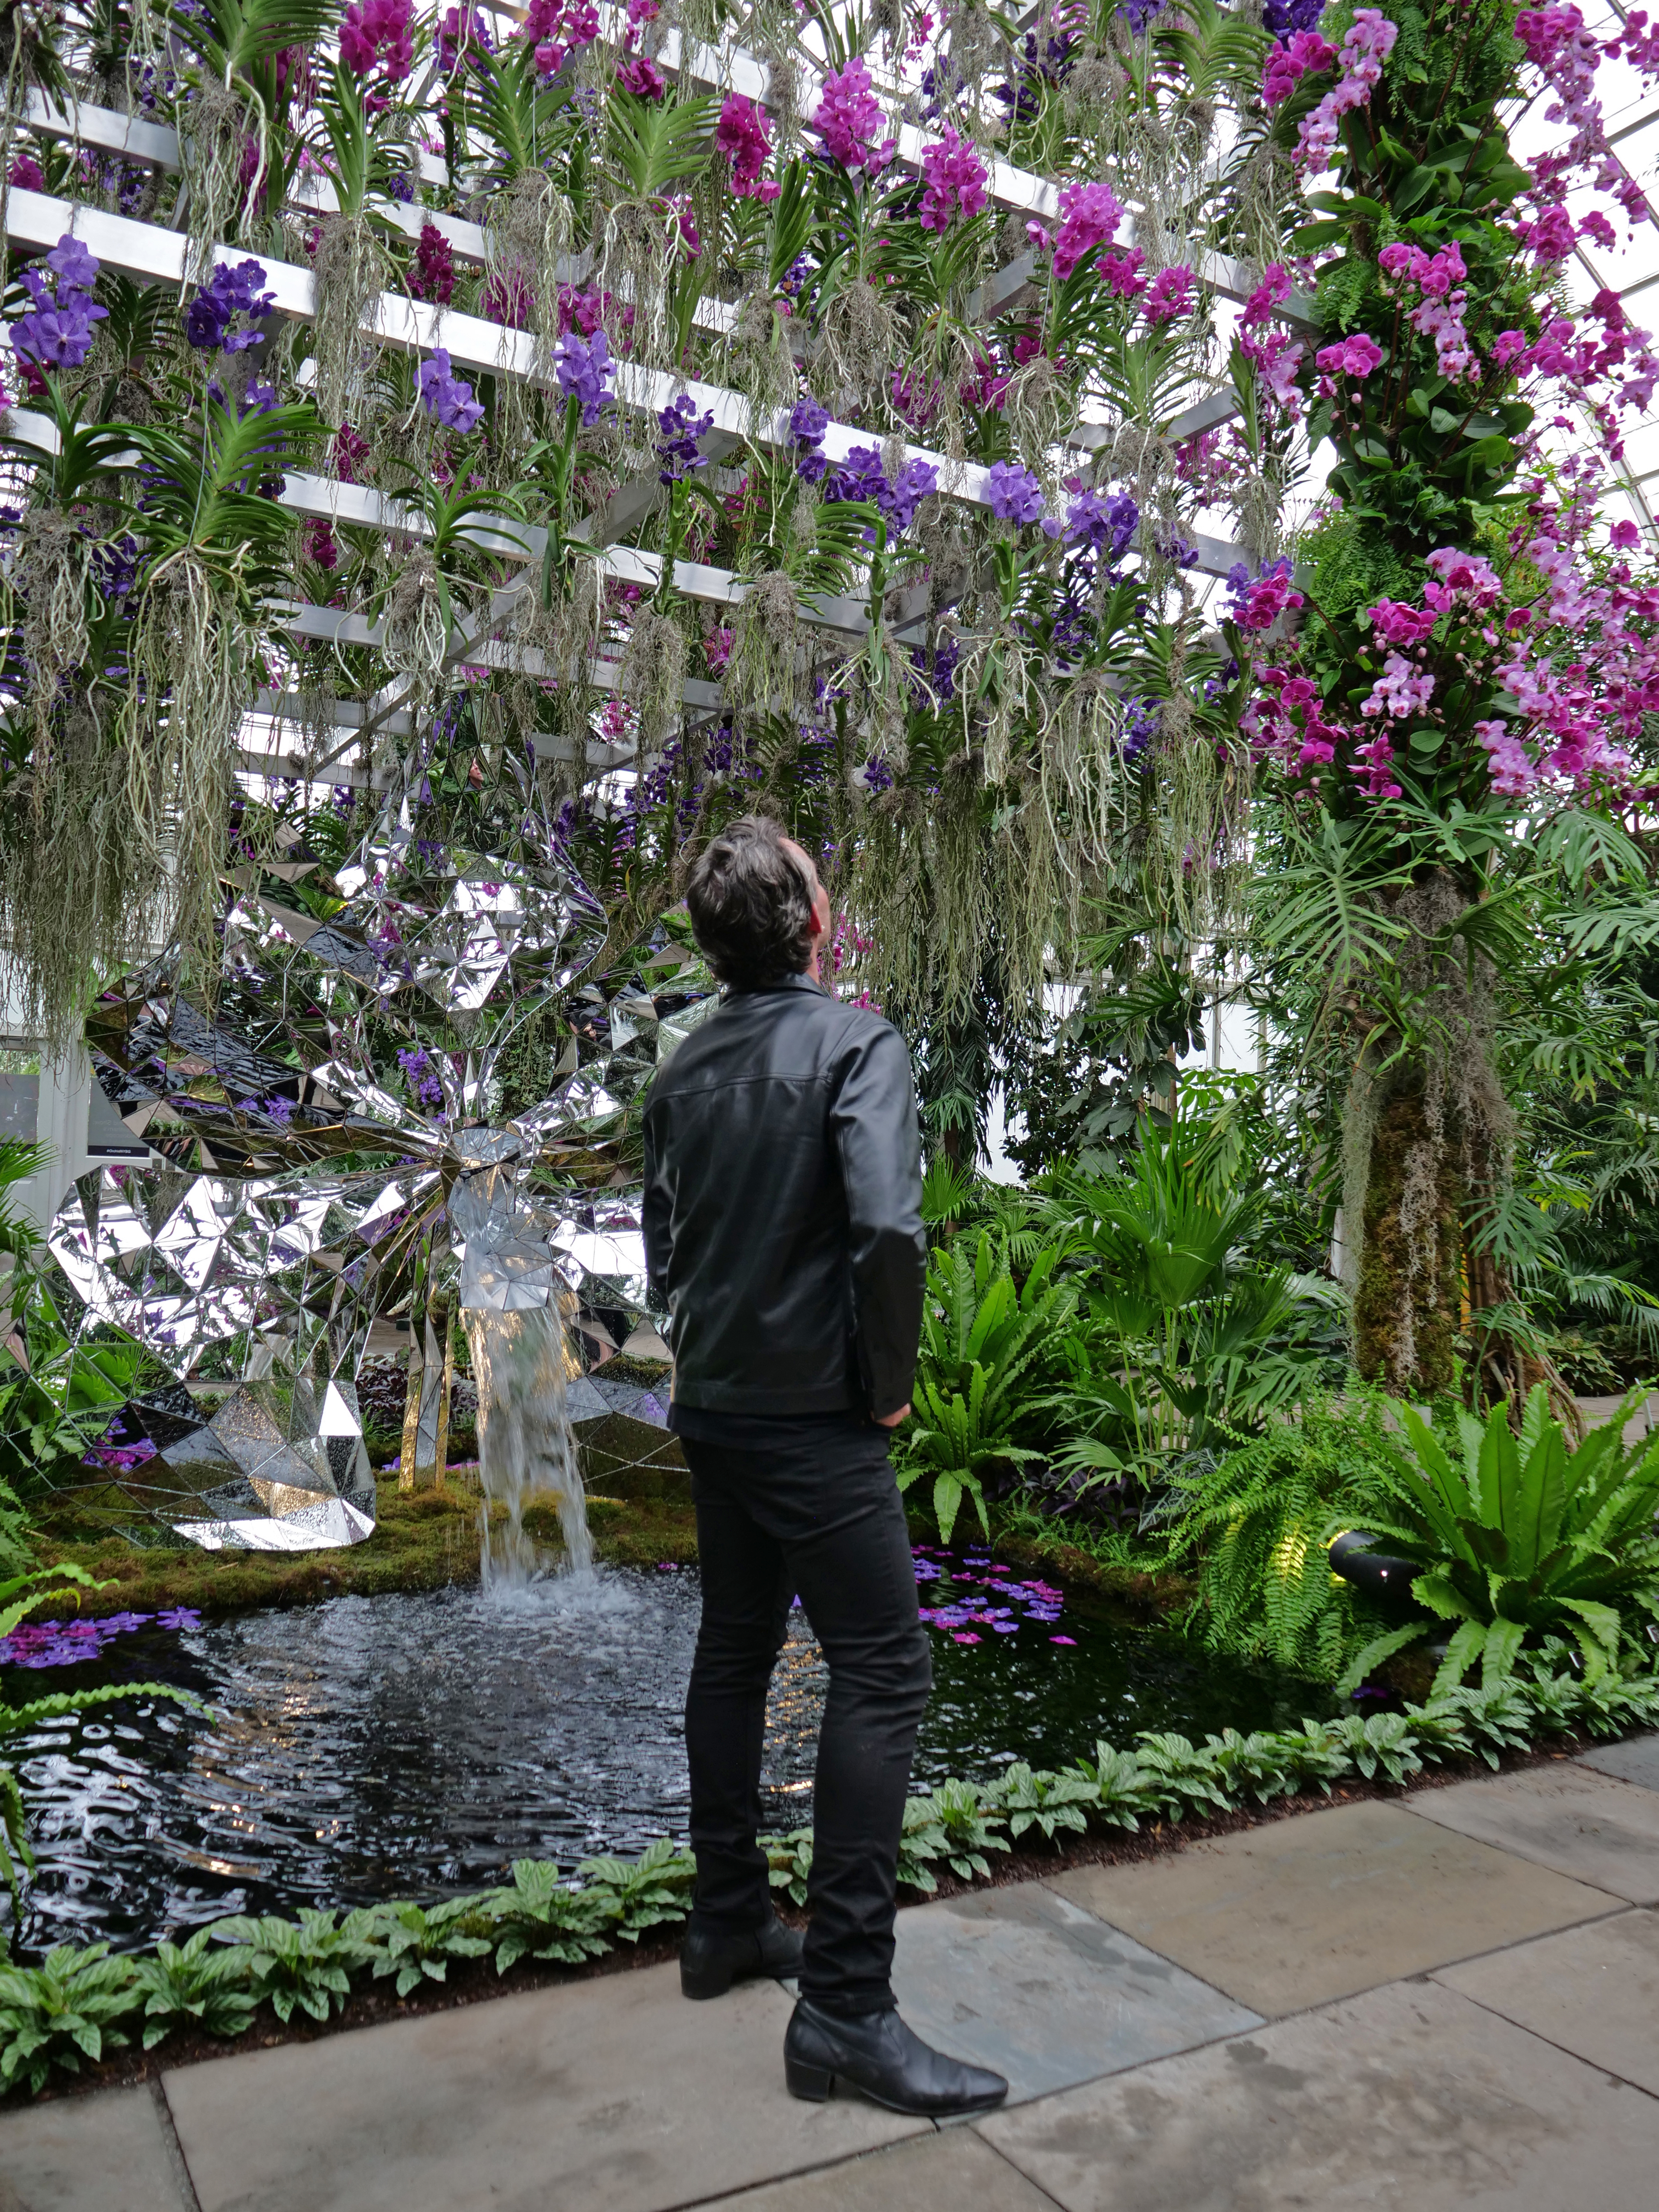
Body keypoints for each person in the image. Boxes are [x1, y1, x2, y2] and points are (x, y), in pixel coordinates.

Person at [641, 815, 1007, 2119]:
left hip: (719, 1409)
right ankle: (848, 2009)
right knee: (887, 1669)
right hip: (815, 1418)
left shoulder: (679, 1075)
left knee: (735, 1649)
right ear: (812, 916)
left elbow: (663, 1260)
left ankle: (729, 1924)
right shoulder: (857, 1044)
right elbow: (887, 1232)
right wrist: (892, 1386)